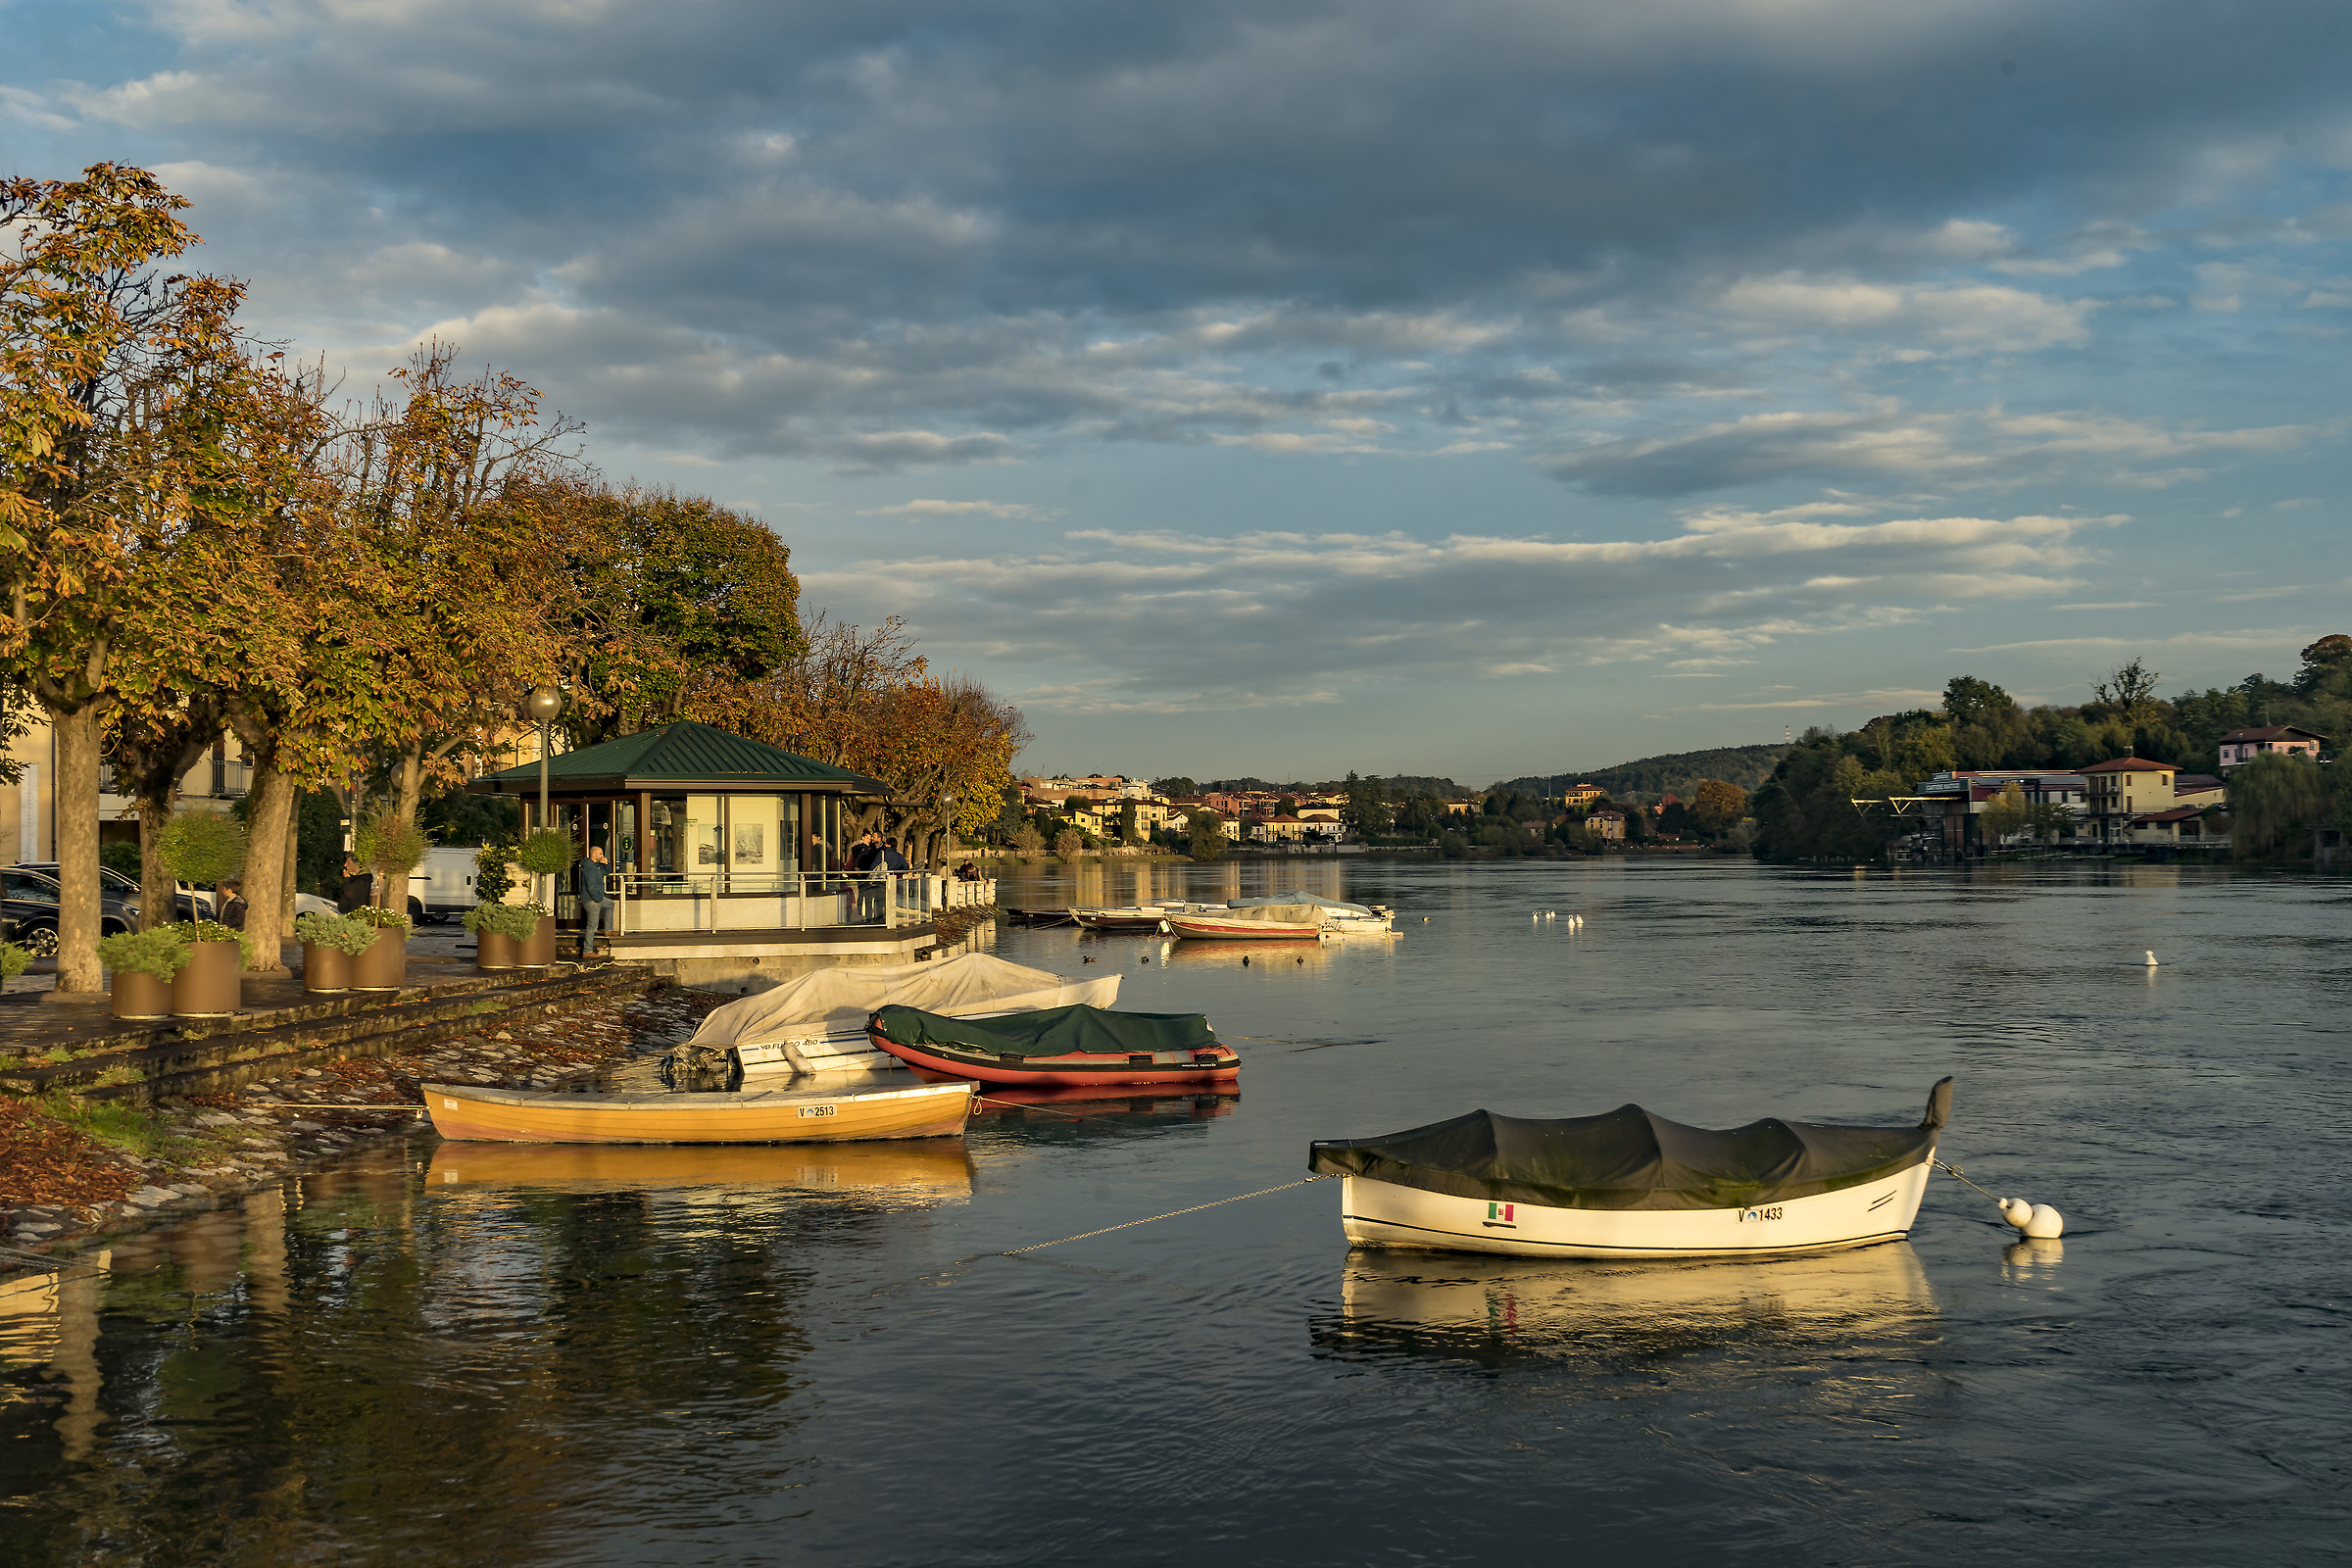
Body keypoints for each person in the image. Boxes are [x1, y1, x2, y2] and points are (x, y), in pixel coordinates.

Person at [577, 845, 613, 959]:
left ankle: (608, 930)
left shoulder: (595, 866)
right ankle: (587, 950)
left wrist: (607, 864)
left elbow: (607, 872)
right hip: (591, 900)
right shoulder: (590, 868)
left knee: (610, 904)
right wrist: (597, 898)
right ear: (594, 854)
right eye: (600, 853)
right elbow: (591, 886)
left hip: (595, 898)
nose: (602, 856)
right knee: (592, 926)